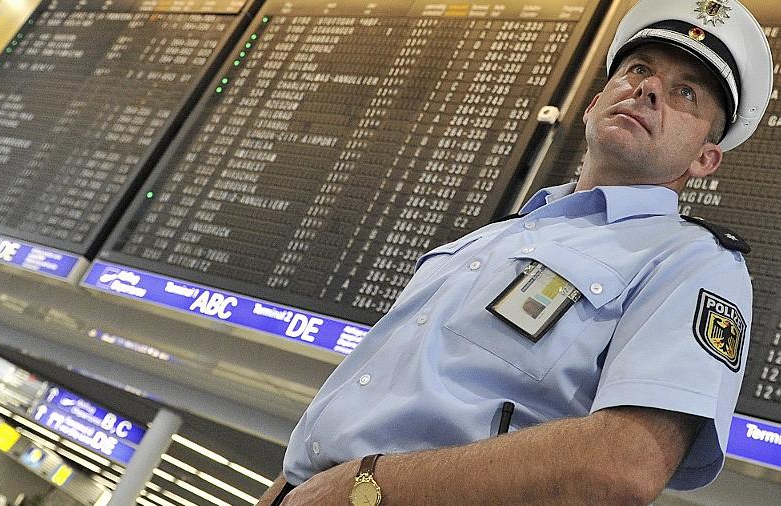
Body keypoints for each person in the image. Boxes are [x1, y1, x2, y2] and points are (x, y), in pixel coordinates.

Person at [259, 0, 773, 504]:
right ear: (594, 105)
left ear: (706, 158)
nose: (648, 90)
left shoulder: (692, 261)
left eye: (686, 92)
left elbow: (624, 464)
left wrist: (366, 487)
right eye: (638, 69)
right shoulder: (486, 241)